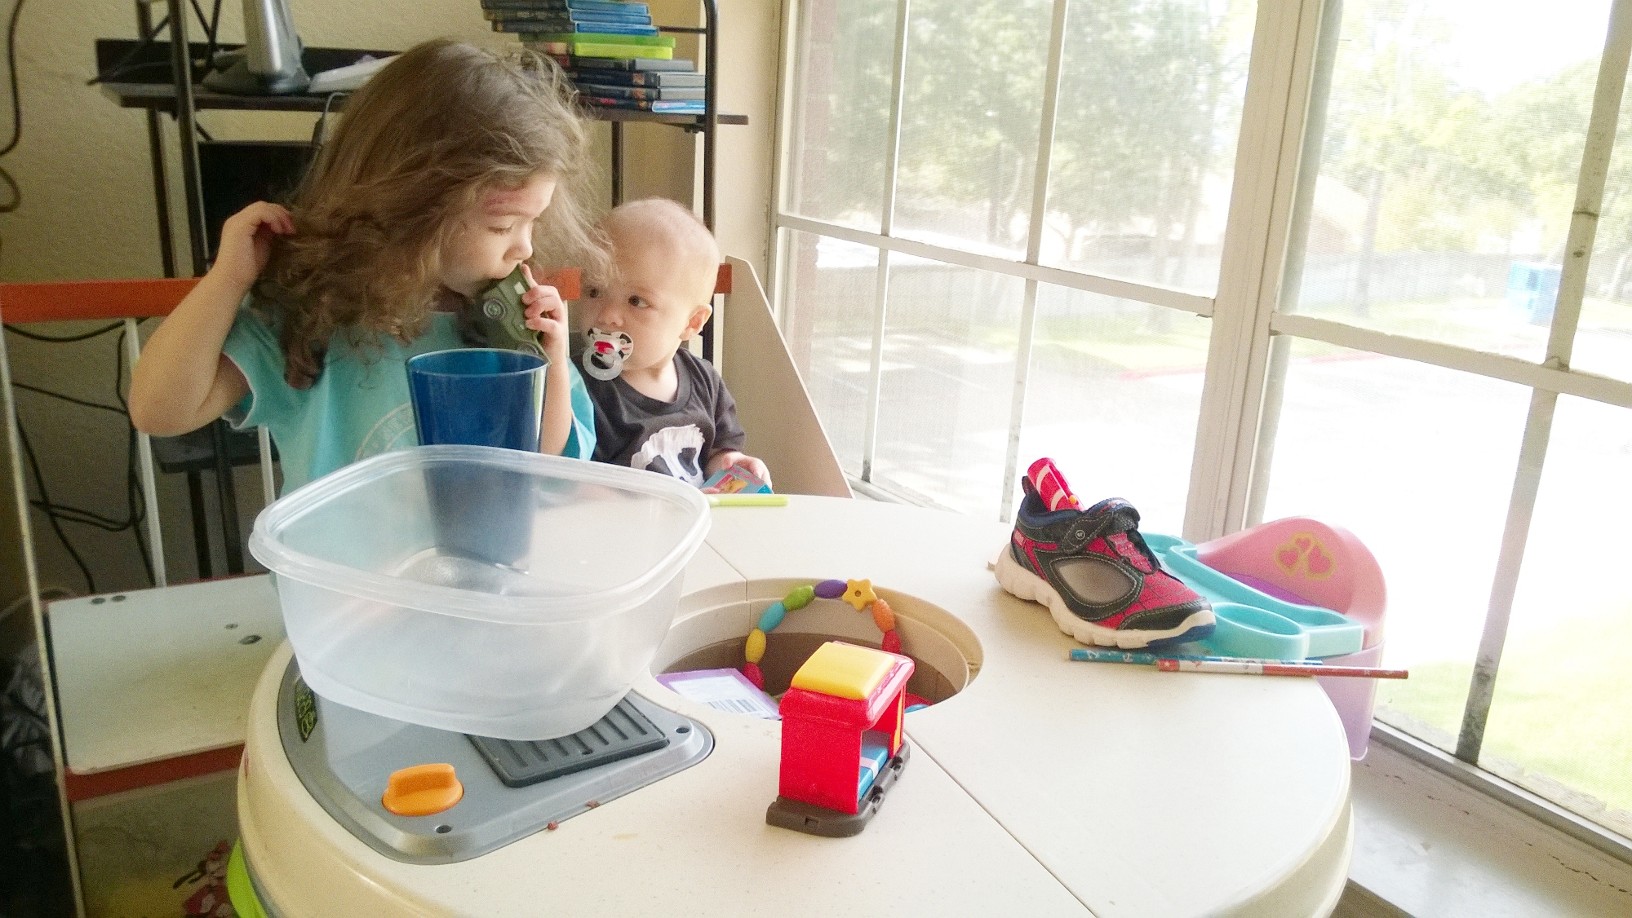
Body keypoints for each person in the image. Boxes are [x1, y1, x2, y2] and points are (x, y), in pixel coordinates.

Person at [129, 39, 602, 493]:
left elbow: (546, 463)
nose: (524, 248)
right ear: (413, 208)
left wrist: (551, 362)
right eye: (502, 226)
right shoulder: (312, 317)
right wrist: (228, 280)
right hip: (338, 556)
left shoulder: (506, 324)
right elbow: (157, 411)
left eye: (533, 223)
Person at [562, 198, 770, 488]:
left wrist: (731, 464)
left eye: (636, 301)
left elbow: (716, 454)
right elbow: (572, 482)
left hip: (695, 515)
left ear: (692, 323)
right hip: (622, 517)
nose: (607, 315)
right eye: (594, 291)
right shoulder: (576, 385)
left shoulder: (704, 380)